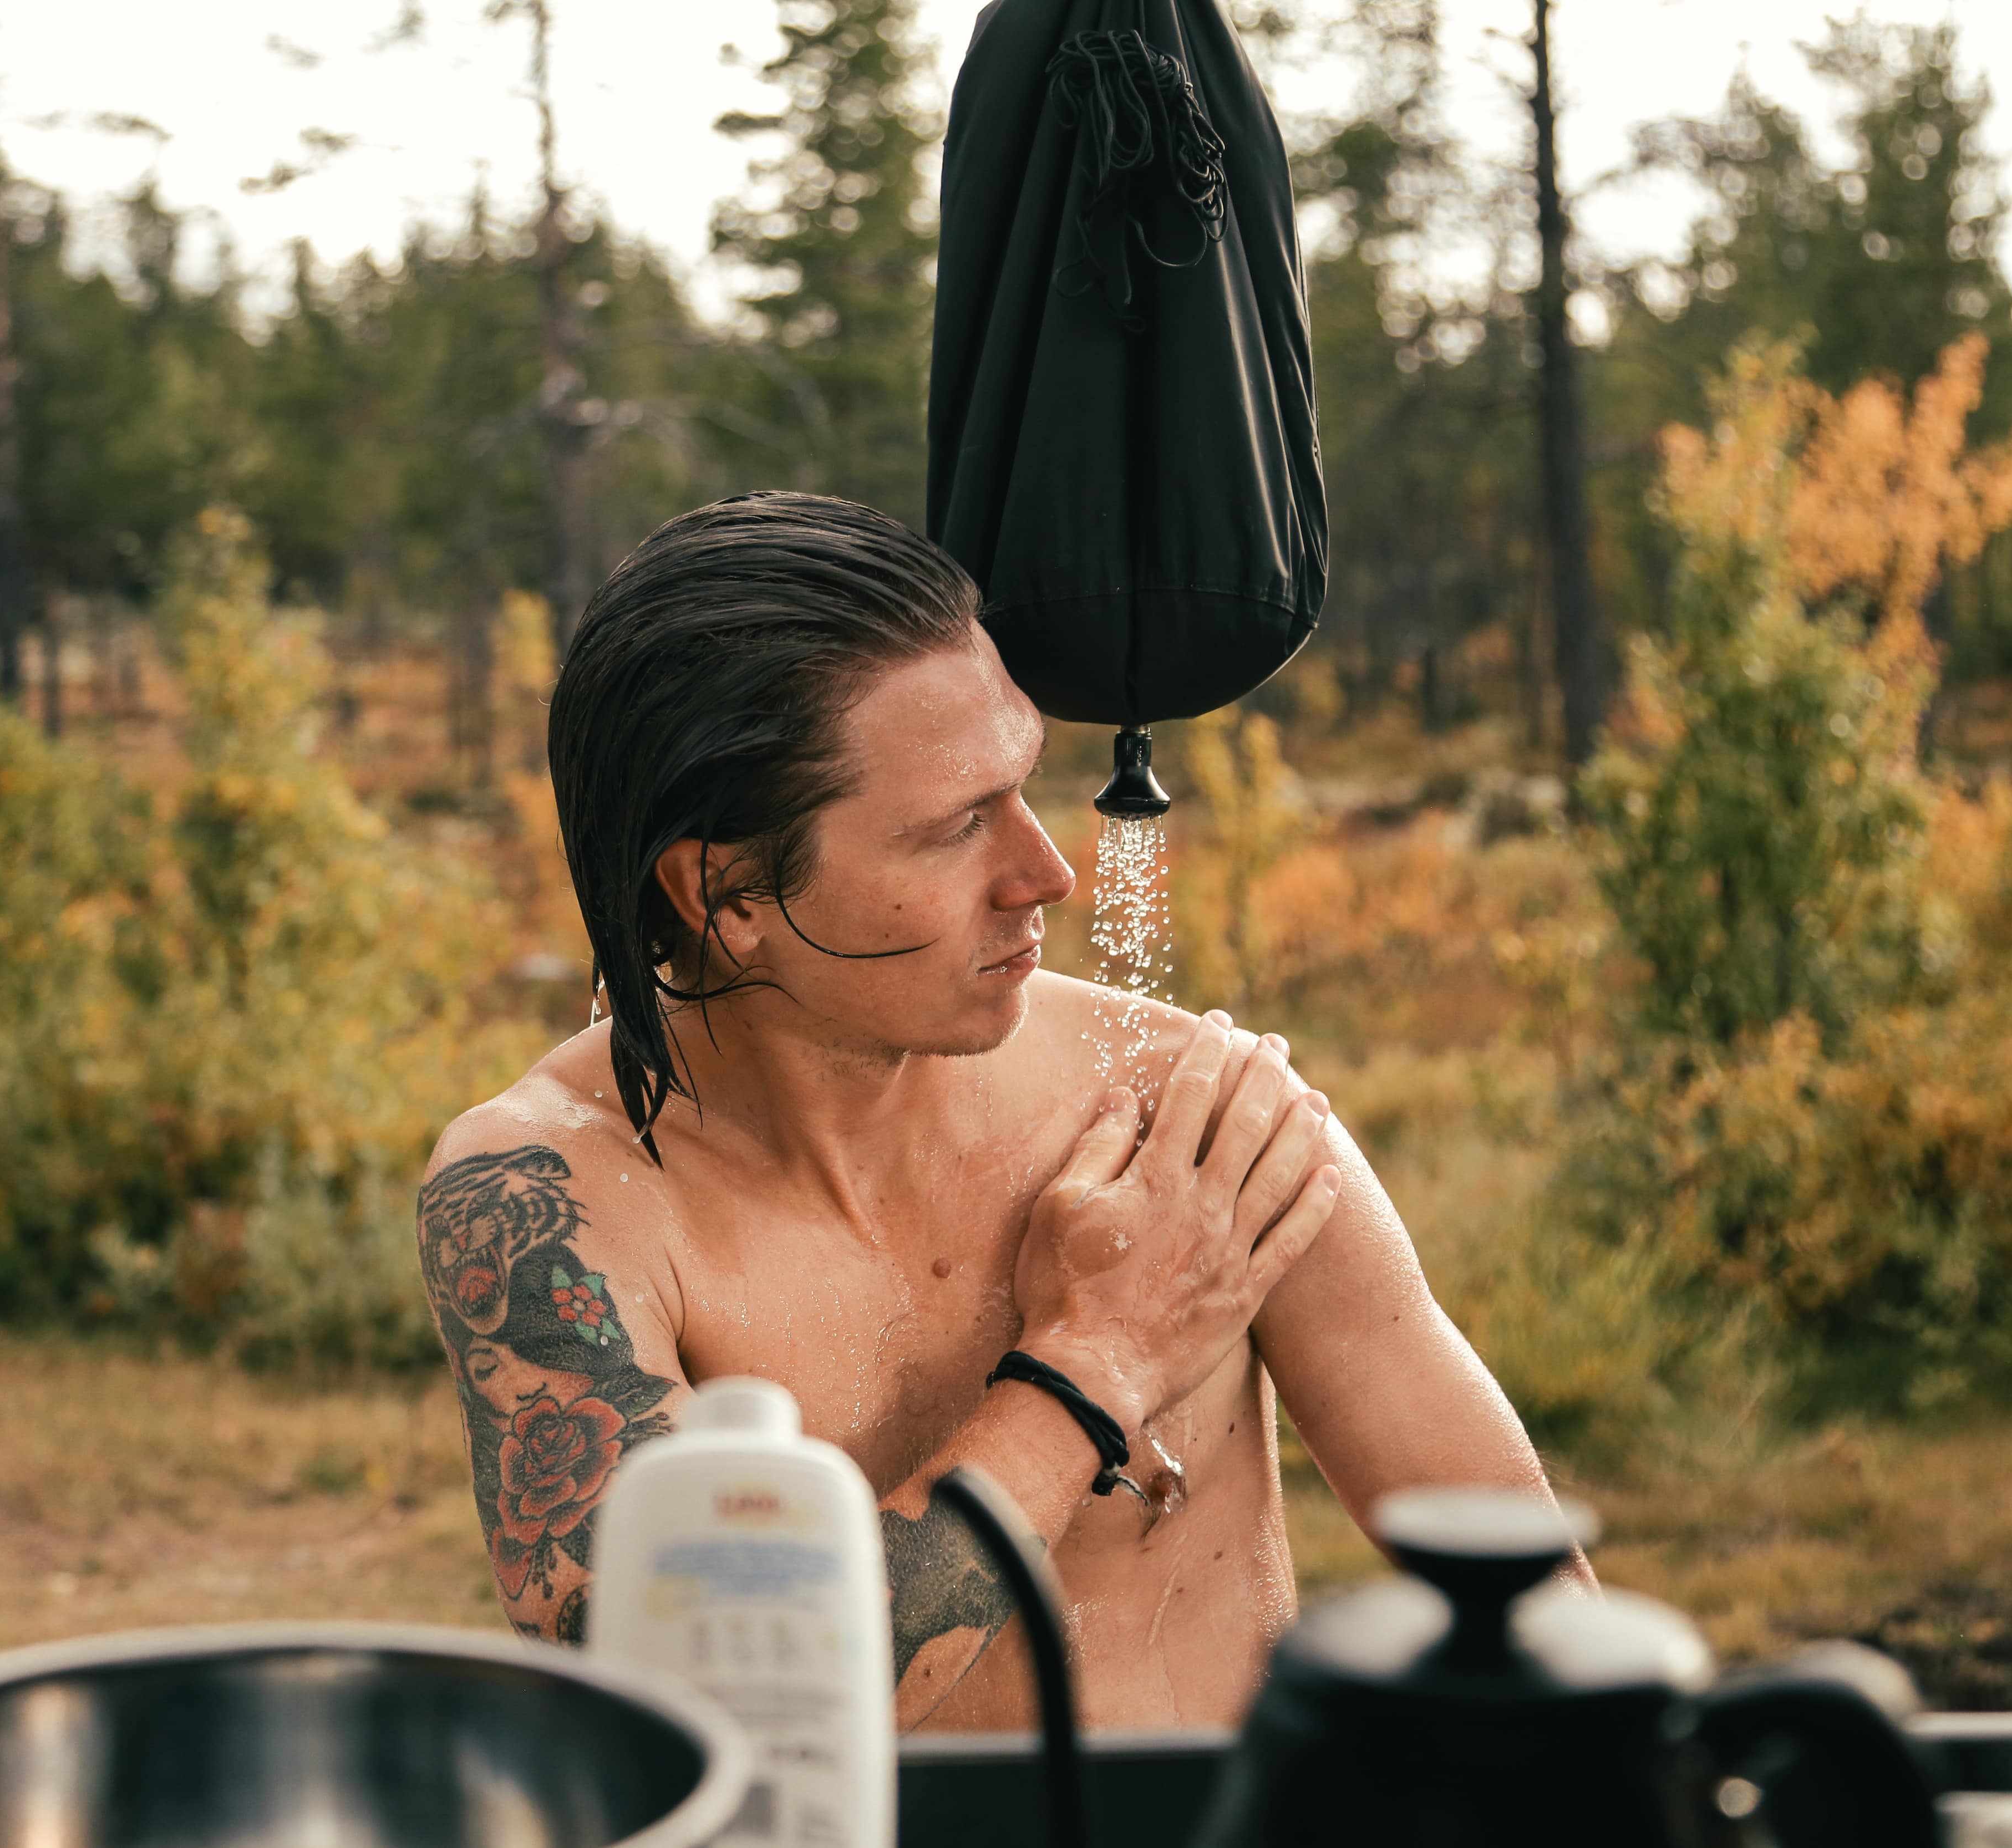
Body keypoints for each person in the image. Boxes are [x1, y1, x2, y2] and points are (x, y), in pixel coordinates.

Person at [418, 492, 1577, 1733]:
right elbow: (702, 1710)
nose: (1045, 873)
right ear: (724, 888)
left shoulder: (1183, 1119)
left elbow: (1541, 1615)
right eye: (956, 825)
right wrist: (1097, 1363)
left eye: (1022, 786)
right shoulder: (550, 1201)